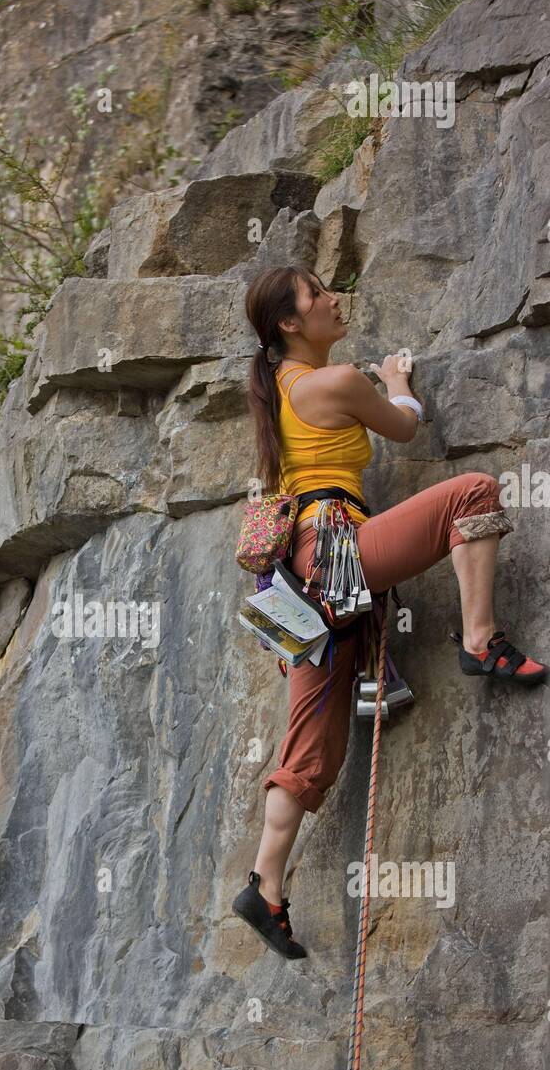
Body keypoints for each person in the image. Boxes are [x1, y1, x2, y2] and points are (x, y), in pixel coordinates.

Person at [233, 263, 546, 960]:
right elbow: (403, 429)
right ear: (291, 321)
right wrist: (400, 386)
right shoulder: (336, 381)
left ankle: (266, 885)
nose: (334, 299)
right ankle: (480, 639)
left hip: (298, 580)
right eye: (318, 295)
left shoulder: (277, 389)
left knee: (311, 750)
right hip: (337, 553)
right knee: (472, 494)